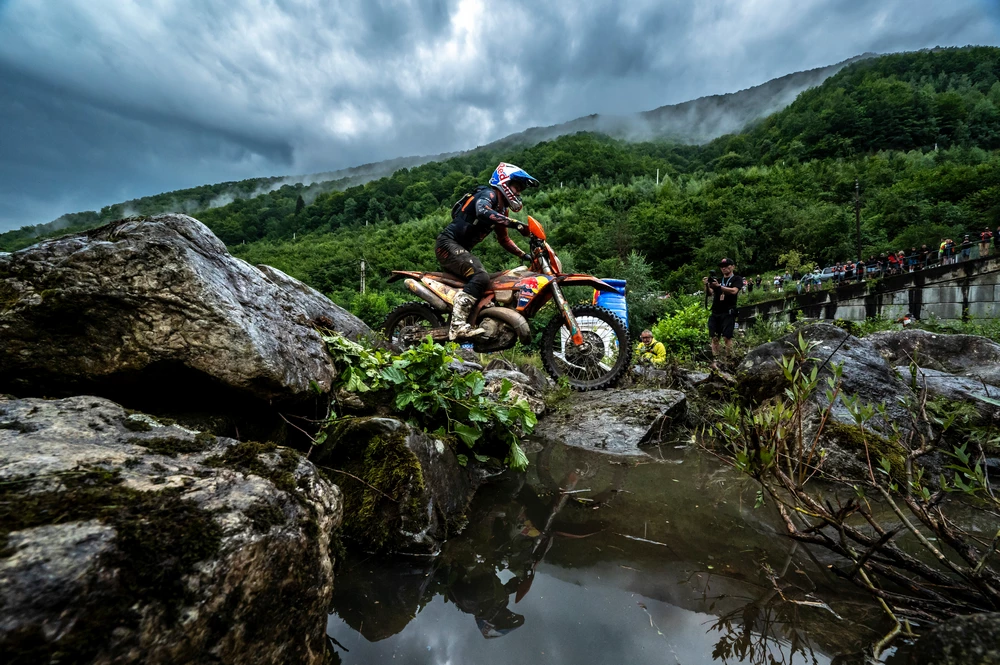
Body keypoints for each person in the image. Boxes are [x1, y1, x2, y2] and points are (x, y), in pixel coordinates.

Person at [437, 163, 539, 339]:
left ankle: (483, 320)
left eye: (521, 189)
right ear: (505, 181)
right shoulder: (488, 194)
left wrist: (524, 255)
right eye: (517, 187)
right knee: (481, 276)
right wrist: (515, 223)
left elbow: (504, 240)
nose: (518, 193)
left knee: (501, 278)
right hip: (448, 245)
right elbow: (482, 211)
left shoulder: (501, 209)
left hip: (459, 249)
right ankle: (458, 325)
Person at [703, 258, 744, 357]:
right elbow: (709, 293)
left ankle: (729, 359)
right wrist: (707, 285)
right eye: (721, 266)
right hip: (716, 312)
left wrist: (719, 287)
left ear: (733, 266)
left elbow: (734, 291)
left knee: (727, 337)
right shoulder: (719, 280)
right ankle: (716, 359)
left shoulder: (737, 279)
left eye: (726, 265)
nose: (724, 268)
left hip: (728, 312)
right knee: (714, 337)